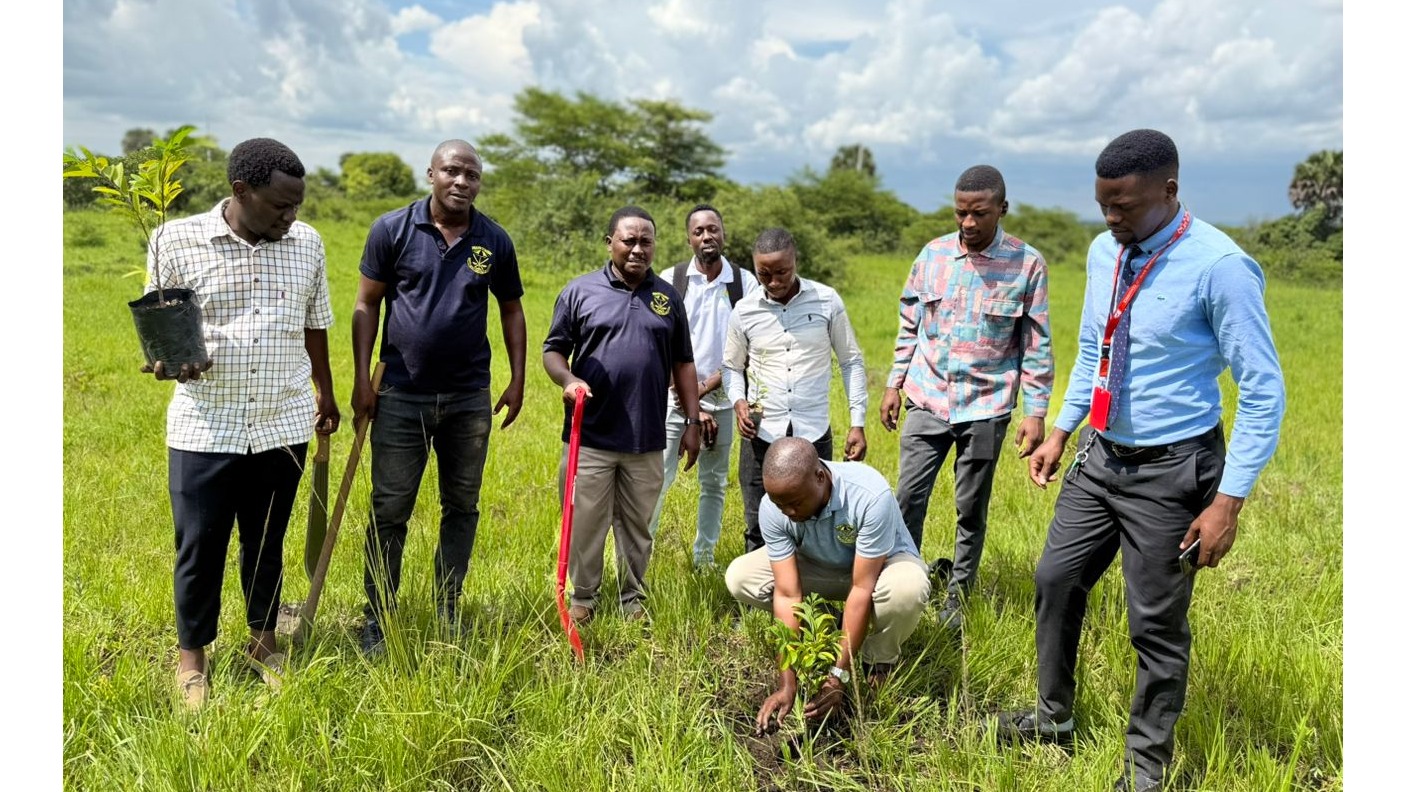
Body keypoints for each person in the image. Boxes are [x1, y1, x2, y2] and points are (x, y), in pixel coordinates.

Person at [992, 129, 1285, 792]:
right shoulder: (1105, 252)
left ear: (1170, 192)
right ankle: (1053, 718)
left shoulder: (1220, 267)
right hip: (1100, 456)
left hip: (1174, 469)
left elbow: (1264, 390)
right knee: (1055, 580)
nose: (1111, 219)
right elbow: (1096, 347)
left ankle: (1144, 767)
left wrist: (1226, 504)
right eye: (1103, 206)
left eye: (1123, 206)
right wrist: (1062, 433)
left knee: (1154, 623)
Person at [148, 138, 339, 709]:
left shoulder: (307, 244)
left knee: (266, 542)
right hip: (207, 425)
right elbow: (161, 325)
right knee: (200, 545)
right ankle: (193, 659)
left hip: (283, 420)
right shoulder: (174, 238)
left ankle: (262, 641)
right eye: (281, 206)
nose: (291, 217)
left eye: (298, 205)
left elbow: (315, 324)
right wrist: (167, 357)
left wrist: (324, 392)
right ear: (241, 192)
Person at [351, 139, 526, 655]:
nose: (462, 182)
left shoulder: (493, 239)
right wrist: (363, 379)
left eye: (472, 175)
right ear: (431, 173)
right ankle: (377, 617)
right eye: (452, 171)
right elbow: (366, 304)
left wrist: (517, 380)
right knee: (390, 509)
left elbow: (512, 310)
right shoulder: (392, 229)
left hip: (469, 397)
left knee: (462, 507)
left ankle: (447, 609)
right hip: (400, 394)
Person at [881, 164, 1054, 629]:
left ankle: (958, 594)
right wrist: (894, 384)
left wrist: (1035, 413)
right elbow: (908, 327)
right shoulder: (932, 256)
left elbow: (1036, 345)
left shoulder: (1026, 263)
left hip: (987, 405)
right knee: (907, 498)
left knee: (970, 507)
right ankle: (905, 582)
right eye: (961, 213)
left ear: (1002, 208)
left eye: (979, 213)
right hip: (927, 395)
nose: (969, 223)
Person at [543, 205, 702, 624]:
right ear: (610, 242)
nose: (637, 249)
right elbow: (554, 350)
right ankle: (584, 598)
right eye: (628, 240)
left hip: (646, 437)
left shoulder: (668, 298)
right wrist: (568, 380)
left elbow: (684, 363)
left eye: (645, 241)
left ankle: (632, 598)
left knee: (637, 526)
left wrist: (691, 421)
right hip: (590, 434)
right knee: (585, 522)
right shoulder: (580, 292)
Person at [727, 438, 929, 733]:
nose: (790, 513)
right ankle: (828, 625)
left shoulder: (869, 495)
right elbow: (786, 593)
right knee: (740, 576)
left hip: (877, 570)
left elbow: (862, 589)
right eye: (780, 505)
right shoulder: (776, 505)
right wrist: (787, 680)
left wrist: (837, 676)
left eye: (795, 503)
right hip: (821, 565)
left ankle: (878, 660)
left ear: (820, 477)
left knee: (907, 590)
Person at [723, 227, 868, 555]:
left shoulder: (827, 301)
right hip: (761, 435)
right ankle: (760, 600)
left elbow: (851, 362)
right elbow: (731, 367)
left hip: (813, 433)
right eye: (764, 274)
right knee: (758, 524)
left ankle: (814, 598)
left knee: (818, 521)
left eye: (782, 272)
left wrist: (857, 422)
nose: (773, 282)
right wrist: (739, 402)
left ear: (795, 261)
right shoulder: (745, 311)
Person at [647, 204, 761, 571]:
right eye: (698, 231)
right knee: (657, 479)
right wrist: (689, 401)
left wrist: (707, 393)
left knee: (713, 483)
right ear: (688, 238)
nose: (706, 236)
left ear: (724, 233)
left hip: (726, 400)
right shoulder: (670, 279)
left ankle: (704, 558)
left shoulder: (745, 283)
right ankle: (639, 558)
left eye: (712, 229)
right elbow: (655, 344)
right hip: (672, 398)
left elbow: (751, 348)